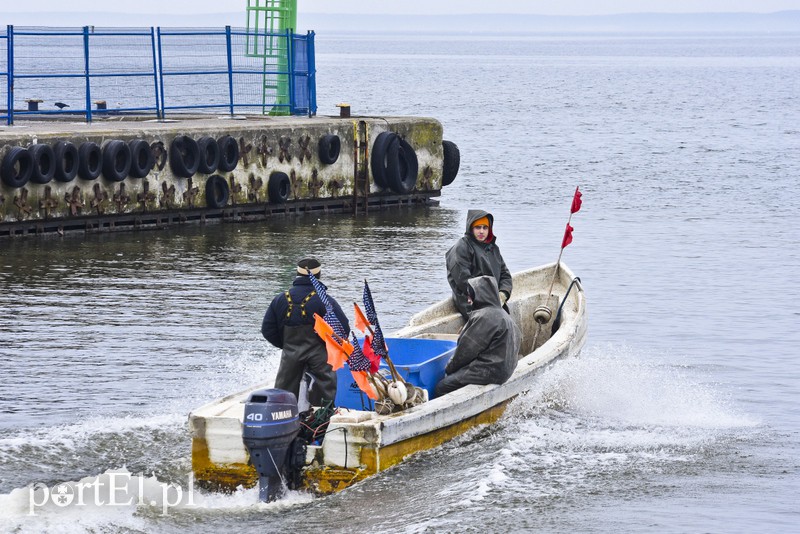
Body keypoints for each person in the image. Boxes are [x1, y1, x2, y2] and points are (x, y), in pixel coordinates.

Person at [261, 258, 350, 406]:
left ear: (297, 274)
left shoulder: (280, 299)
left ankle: (283, 418)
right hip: (320, 356)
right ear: (318, 275)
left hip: (290, 354)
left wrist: (287, 345)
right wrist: (326, 345)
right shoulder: (325, 301)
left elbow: (267, 330)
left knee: (284, 392)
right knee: (324, 390)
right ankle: (321, 420)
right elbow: (343, 330)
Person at [435, 275, 521, 397]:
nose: (469, 300)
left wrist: (449, 369)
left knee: (442, 386)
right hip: (505, 369)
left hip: (492, 370)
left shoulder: (485, 316)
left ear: (481, 296)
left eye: (471, 296)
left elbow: (466, 351)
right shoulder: (502, 314)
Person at [445, 209, 513, 320]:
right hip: (470, 302)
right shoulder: (462, 247)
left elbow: (505, 276)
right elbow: (463, 280)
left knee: (508, 324)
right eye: (478, 227)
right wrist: (477, 295)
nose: (481, 231)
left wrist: (502, 295)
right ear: (471, 228)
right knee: (496, 324)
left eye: (485, 228)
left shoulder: (493, 249)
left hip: (494, 301)